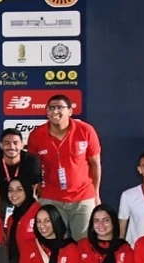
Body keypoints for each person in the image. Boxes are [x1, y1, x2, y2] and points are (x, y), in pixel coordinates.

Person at [25, 94, 101, 239]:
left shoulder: (86, 131)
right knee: (54, 245)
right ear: (46, 112)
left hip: (83, 197)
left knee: (85, 244)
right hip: (51, 198)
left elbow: (95, 164)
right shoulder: (36, 135)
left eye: (60, 107)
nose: (55, 111)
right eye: (51, 108)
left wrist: (96, 194)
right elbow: (33, 168)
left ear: (70, 111)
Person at [0, 128, 42, 211]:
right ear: (1, 145)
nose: (11, 146)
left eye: (15, 143)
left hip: (24, 199)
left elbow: (32, 193)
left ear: (22, 145)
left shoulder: (32, 161)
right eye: (7, 143)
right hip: (2, 199)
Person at [3, 177, 41, 263]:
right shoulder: (11, 218)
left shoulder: (39, 212)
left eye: (19, 189)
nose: (14, 194)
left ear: (27, 191)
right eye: (10, 190)